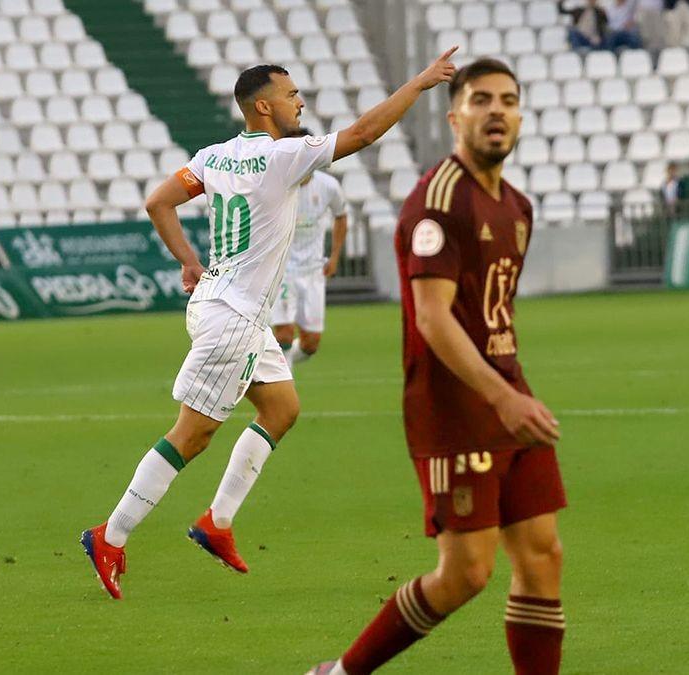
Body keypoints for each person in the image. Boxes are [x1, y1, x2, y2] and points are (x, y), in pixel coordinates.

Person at [79, 47, 459, 600]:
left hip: (229, 307)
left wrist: (189, 260)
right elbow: (363, 135)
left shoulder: (213, 157)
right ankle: (109, 536)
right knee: (193, 434)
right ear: (263, 107)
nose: (299, 102)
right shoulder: (284, 157)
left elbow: (158, 202)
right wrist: (419, 83)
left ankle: (217, 522)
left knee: (282, 409)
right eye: (290, 95)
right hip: (232, 318)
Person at [308, 58, 567, 675]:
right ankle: (339, 674)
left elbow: (490, 313)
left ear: (521, 115)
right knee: (466, 574)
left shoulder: (518, 207)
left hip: (508, 392)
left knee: (542, 556)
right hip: (453, 407)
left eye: (508, 99)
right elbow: (432, 318)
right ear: (456, 117)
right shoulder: (437, 199)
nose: (497, 110)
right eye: (481, 100)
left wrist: (511, 393)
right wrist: (501, 399)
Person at [269, 128, 348, 365]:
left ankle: (270, 364)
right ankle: (283, 387)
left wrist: (334, 257)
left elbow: (341, 216)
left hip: (313, 271)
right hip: (282, 270)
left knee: (310, 343)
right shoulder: (275, 186)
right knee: (283, 333)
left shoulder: (329, 186)